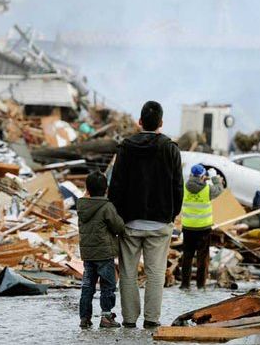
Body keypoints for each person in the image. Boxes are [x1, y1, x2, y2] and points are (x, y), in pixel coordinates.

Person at [108, 100, 183, 328]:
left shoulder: (125, 148)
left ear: (140, 122)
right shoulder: (171, 149)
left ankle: (129, 319)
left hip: (130, 222)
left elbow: (116, 186)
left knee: (128, 273)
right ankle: (152, 319)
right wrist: (172, 214)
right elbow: (177, 186)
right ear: (161, 122)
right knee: (156, 273)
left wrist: (117, 217)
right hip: (160, 223)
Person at [77, 171, 125, 329]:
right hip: (104, 254)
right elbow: (118, 226)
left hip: (88, 254)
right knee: (108, 286)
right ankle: (106, 317)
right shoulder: (107, 206)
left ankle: (84, 318)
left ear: (87, 189)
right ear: (106, 189)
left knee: (87, 286)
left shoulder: (82, 206)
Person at [179, 164, 223, 290]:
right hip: (203, 229)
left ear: (191, 175)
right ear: (202, 175)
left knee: (187, 257)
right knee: (202, 258)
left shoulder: (184, 187)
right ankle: (200, 284)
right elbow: (219, 189)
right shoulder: (208, 189)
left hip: (188, 228)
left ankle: (185, 284)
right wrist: (214, 178)